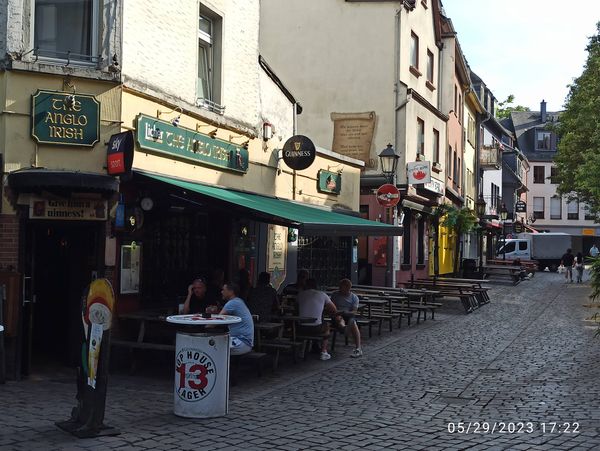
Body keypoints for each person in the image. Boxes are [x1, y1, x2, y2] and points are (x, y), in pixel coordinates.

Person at [296, 278, 337, 361]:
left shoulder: (300, 295)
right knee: (327, 326)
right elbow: (334, 309)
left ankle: (301, 350)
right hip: (316, 328)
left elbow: (296, 309)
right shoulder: (322, 294)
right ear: (316, 286)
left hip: (301, 328)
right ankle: (324, 351)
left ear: (306, 285)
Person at [330, 279, 363, 358]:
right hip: (337, 314)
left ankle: (358, 348)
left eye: (342, 287)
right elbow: (331, 307)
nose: (340, 289)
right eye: (340, 287)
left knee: (353, 323)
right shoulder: (335, 295)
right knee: (339, 318)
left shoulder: (354, 298)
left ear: (348, 288)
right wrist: (337, 311)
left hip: (348, 315)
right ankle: (344, 328)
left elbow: (354, 312)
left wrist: (346, 312)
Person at [219, 282, 254, 355]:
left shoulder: (232, 303)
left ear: (231, 292)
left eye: (223, 290)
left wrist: (204, 327)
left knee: (214, 347)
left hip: (242, 342)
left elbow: (218, 319)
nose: (221, 292)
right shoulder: (238, 301)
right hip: (245, 341)